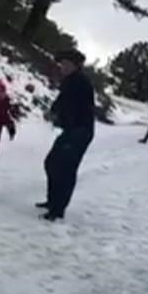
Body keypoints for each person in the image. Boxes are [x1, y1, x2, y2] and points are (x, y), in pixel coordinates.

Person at [37, 49, 96, 221]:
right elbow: (61, 102)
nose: (62, 66)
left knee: (65, 169)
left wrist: (57, 116)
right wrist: (53, 112)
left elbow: (73, 108)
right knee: (51, 163)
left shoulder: (80, 83)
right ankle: (52, 201)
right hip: (72, 130)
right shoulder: (70, 81)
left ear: (76, 65)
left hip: (80, 131)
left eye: (66, 63)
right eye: (62, 63)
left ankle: (58, 210)